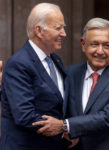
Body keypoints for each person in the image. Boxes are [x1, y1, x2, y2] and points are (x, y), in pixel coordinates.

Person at [33, 17, 109, 150]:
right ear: (83, 44)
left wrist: (64, 125)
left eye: (107, 45)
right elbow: (51, 104)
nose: (100, 51)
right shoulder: (69, 73)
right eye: (94, 44)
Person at [0, 3, 69, 150]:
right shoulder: (19, 63)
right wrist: (64, 130)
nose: (64, 33)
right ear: (39, 30)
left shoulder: (55, 60)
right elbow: (25, 116)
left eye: (63, 28)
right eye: (58, 28)